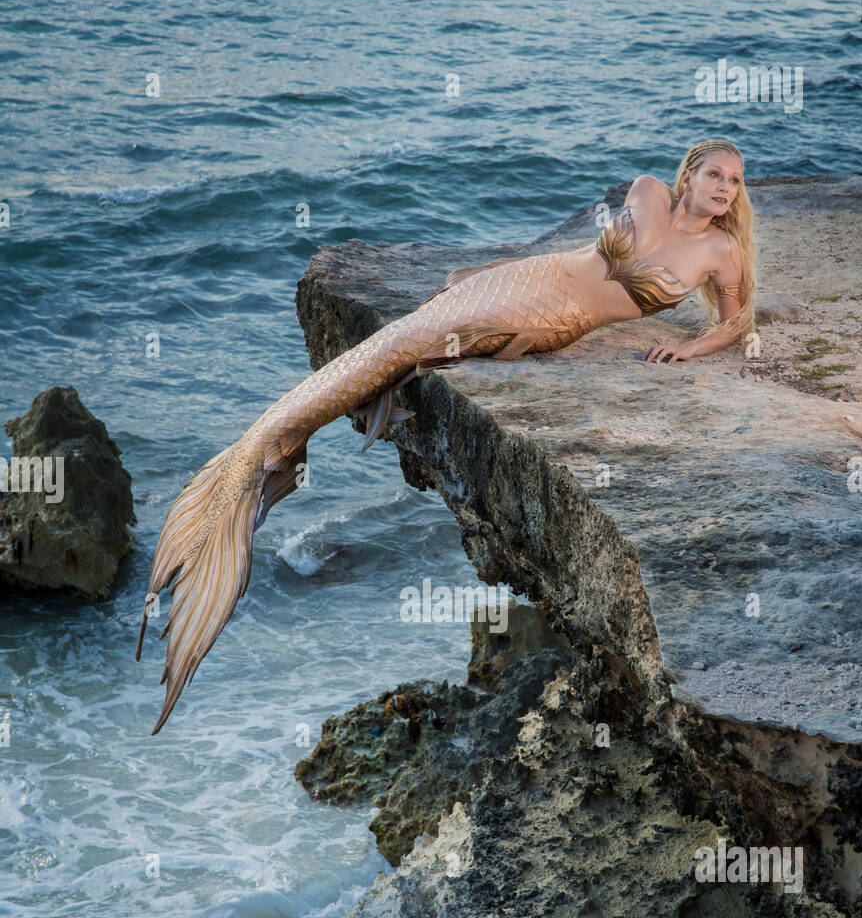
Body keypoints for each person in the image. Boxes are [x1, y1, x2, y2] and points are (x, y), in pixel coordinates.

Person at [137, 138, 756, 734]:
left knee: (410, 343)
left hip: (555, 319)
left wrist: (688, 346)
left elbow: (738, 322)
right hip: (533, 276)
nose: (725, 188)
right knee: (402, 337)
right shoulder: (646, 190)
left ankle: (258, 461)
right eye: (715, 175)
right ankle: (255, 454)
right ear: (688, 177)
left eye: (735, 180)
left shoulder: (722, 254)